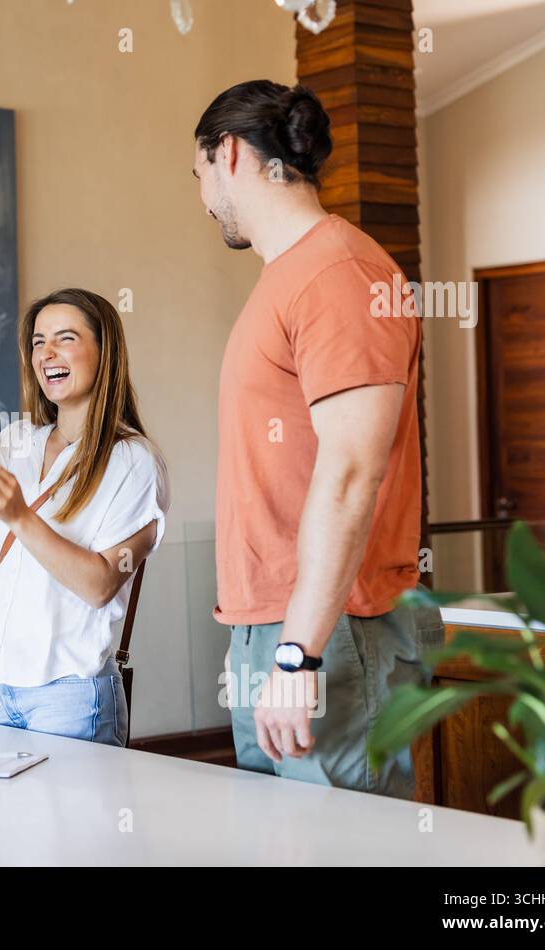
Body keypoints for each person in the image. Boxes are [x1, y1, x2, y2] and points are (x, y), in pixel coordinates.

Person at [193, 81, 443, 796]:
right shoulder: (288, 278)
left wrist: (298, 655)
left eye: (200, 175)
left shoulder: (340, 273)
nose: (205, 200)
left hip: (331, 633)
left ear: (230, 153)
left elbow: (350, 472)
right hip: (272, 628)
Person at [0, 288, 169, 747]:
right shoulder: (18, 440)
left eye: (65, 338)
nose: (46, 353)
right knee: (5, 822)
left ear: (104, 352)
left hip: (70, 696)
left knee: (72, 823)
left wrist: (19, 515)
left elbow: (99, 585)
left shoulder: (131, 459)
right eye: (37, 341)